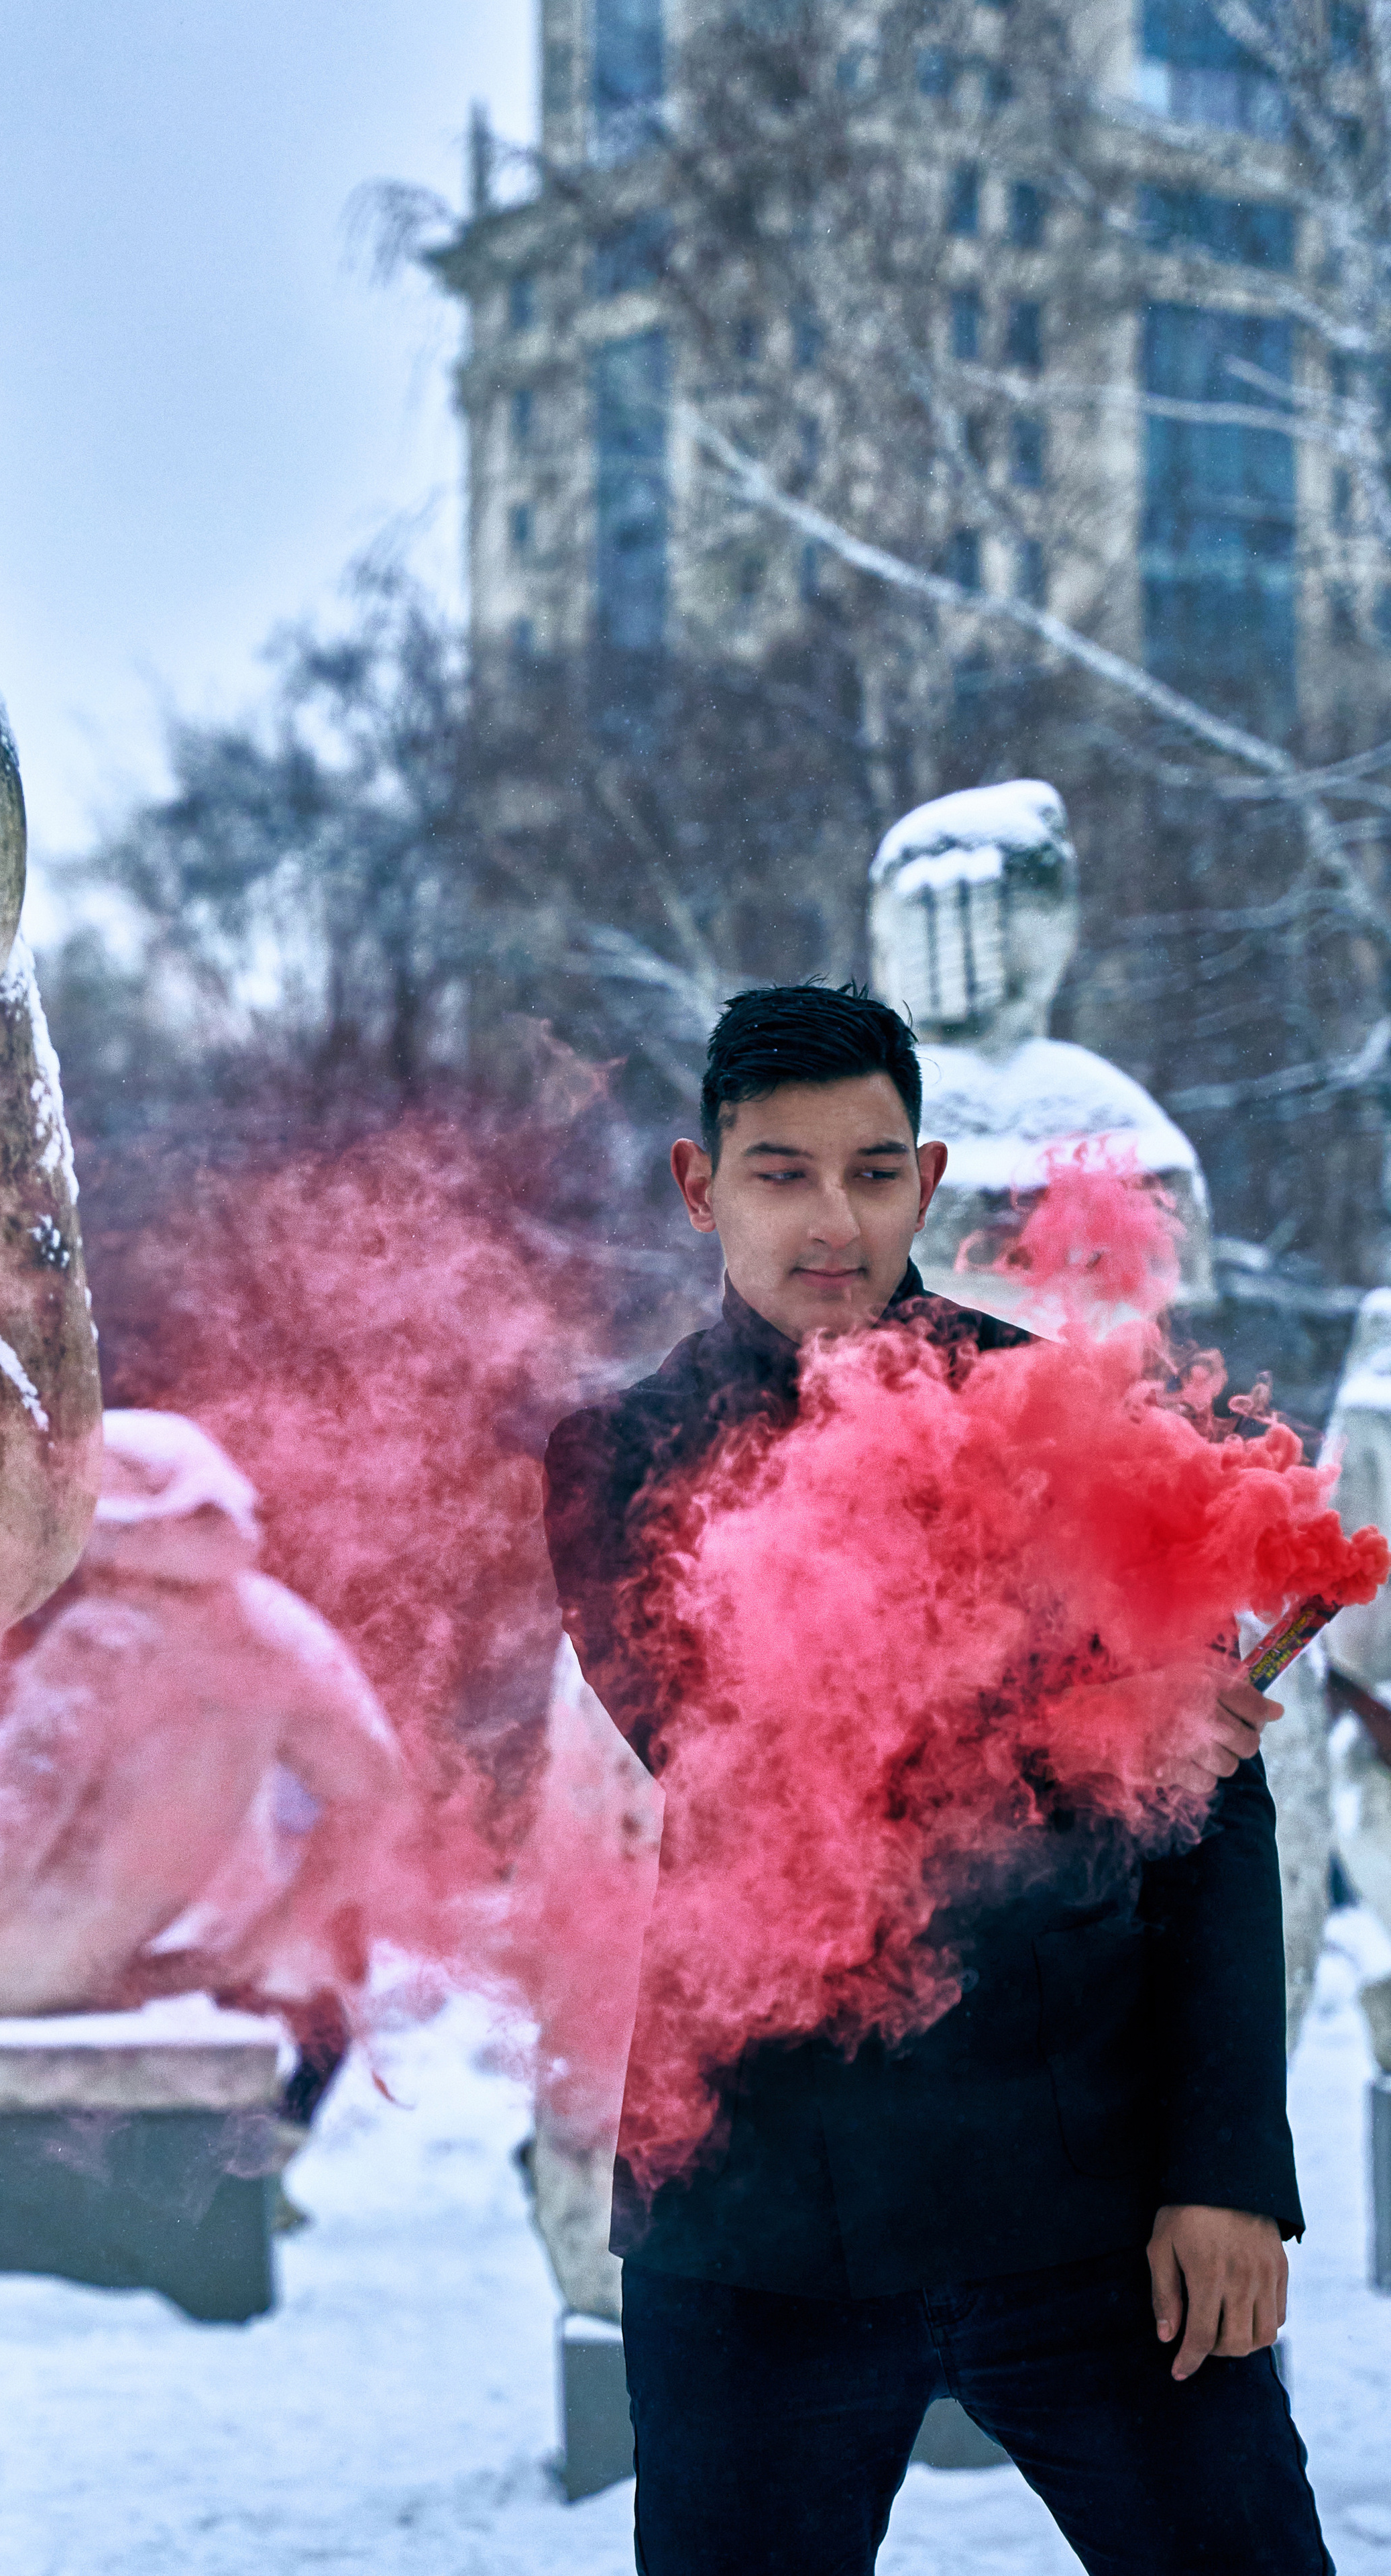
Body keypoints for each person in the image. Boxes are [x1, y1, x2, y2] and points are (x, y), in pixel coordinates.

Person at [543, 983, 1332, 2576]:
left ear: (925, 1173)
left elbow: (1214, 1810)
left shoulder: (1077, 1420)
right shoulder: (613, 1459)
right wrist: (1095, 1731)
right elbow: (762, 1760)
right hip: (754, 2216)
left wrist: (1225, 2174)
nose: (830, 1216)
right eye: (779, 1170)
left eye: (871, 1166)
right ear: (701, 1185)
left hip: (1097, 2208)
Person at [0, 1410, 407, 2130]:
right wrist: (235, 1952)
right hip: (86, 1959)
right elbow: (374, 1794)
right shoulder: (275, 1630)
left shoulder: (103, 1646)